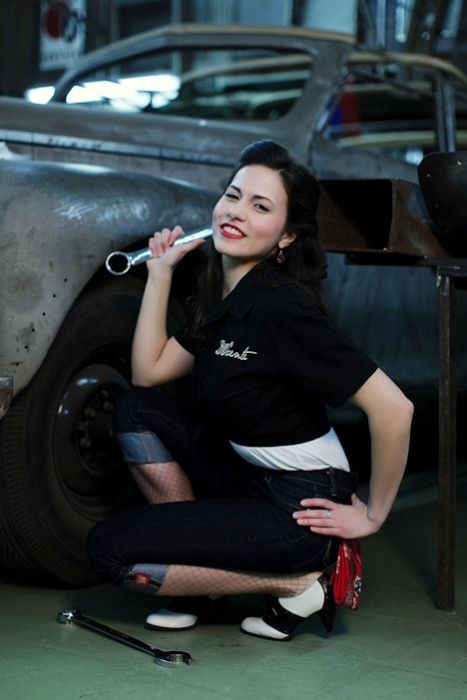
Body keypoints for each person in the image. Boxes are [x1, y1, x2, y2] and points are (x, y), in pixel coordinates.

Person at [87, 140, 413, 641]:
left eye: (260, 207)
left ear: (285, 237)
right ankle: (199, 572)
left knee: (109, 551)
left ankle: (302, 583)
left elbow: (395, 408)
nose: (235, 213)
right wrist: (160, 274)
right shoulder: (230, 297)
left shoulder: (284, 309)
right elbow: (149, 373)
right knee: (137, 410)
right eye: (233, 196)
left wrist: (372, 514)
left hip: (300, 508)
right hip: (247, 474)